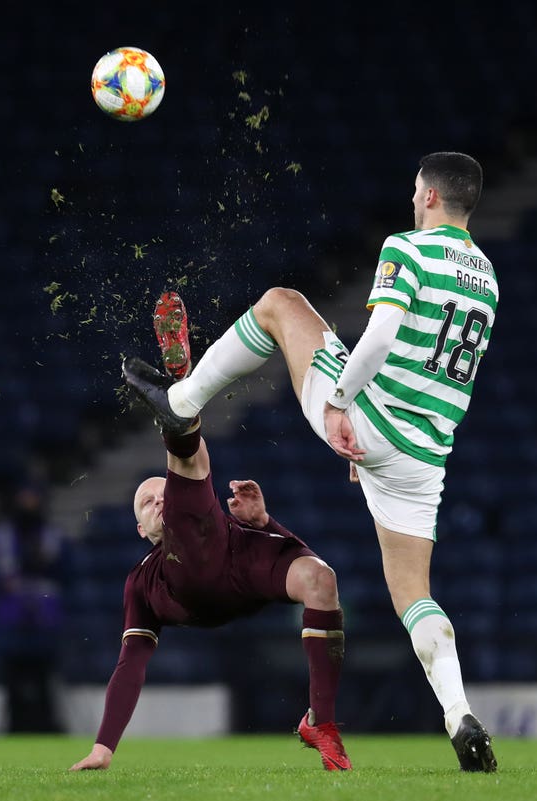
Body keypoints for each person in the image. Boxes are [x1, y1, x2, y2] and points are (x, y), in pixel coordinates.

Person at [122, 152, 499, 772]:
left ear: (429, 195)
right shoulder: (486, 275)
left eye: (413, 190)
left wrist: (342, 407)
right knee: (414, 594)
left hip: (369, 420)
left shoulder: (409, 247)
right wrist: (382, 448)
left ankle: (180, 401)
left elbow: (380, 337)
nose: (411, 199)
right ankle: (458, 715)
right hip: (425, 451)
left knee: (280, 303)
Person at [70, 294, 351, 772]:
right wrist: (103, 747)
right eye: (147, 502)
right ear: (141, 529)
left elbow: (191, 474)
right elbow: (131, 662)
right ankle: (180, 392)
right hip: (198, 564)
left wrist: (264, 525)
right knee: (187, 469)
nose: (159, 500)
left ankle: (320, 724)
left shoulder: (191, 514)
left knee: (322, 581)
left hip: (236, 554)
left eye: (160, 493)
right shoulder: (143, 583)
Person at [0, 480, 73, 733]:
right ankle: (14, 726)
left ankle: (46, 726)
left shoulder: (53, 537)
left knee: (45, 681)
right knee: (12, 681)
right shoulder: (1, 536)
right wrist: (2, 585)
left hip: (45, 620)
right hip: (11, 619)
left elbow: (69, 575)